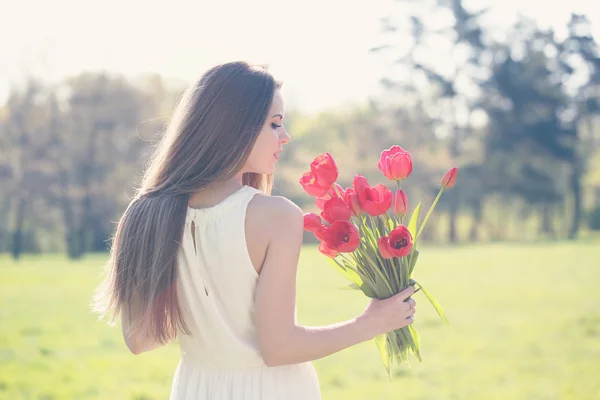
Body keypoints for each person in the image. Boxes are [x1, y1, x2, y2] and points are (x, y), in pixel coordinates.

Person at [93, 61, 417, 399]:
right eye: (274, 124)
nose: (285, 136)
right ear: (235, 127)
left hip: (195, 388)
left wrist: (207, 312)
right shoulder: (275, 216)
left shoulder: (143, 213)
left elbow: (140, 339)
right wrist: (371, 323)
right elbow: (279, 349)